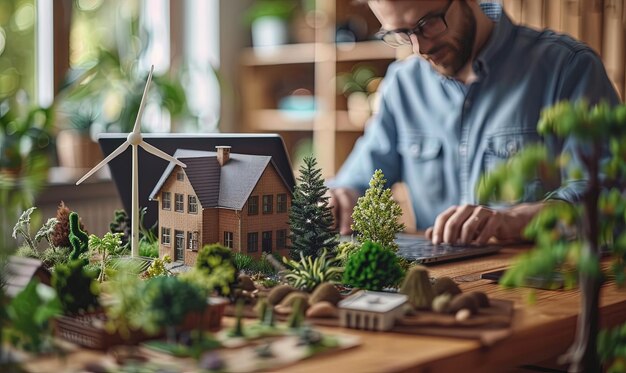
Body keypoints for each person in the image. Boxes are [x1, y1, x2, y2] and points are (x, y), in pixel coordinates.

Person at [327, 0, 620, 245]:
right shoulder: (403, 85)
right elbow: (357, 180)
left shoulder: (568, 68)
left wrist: (512, 221)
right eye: (402, 34)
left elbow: (607, 200)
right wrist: (340, 198)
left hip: (541, 293)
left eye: (428, 23)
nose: (419, 47)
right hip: (435, 293)